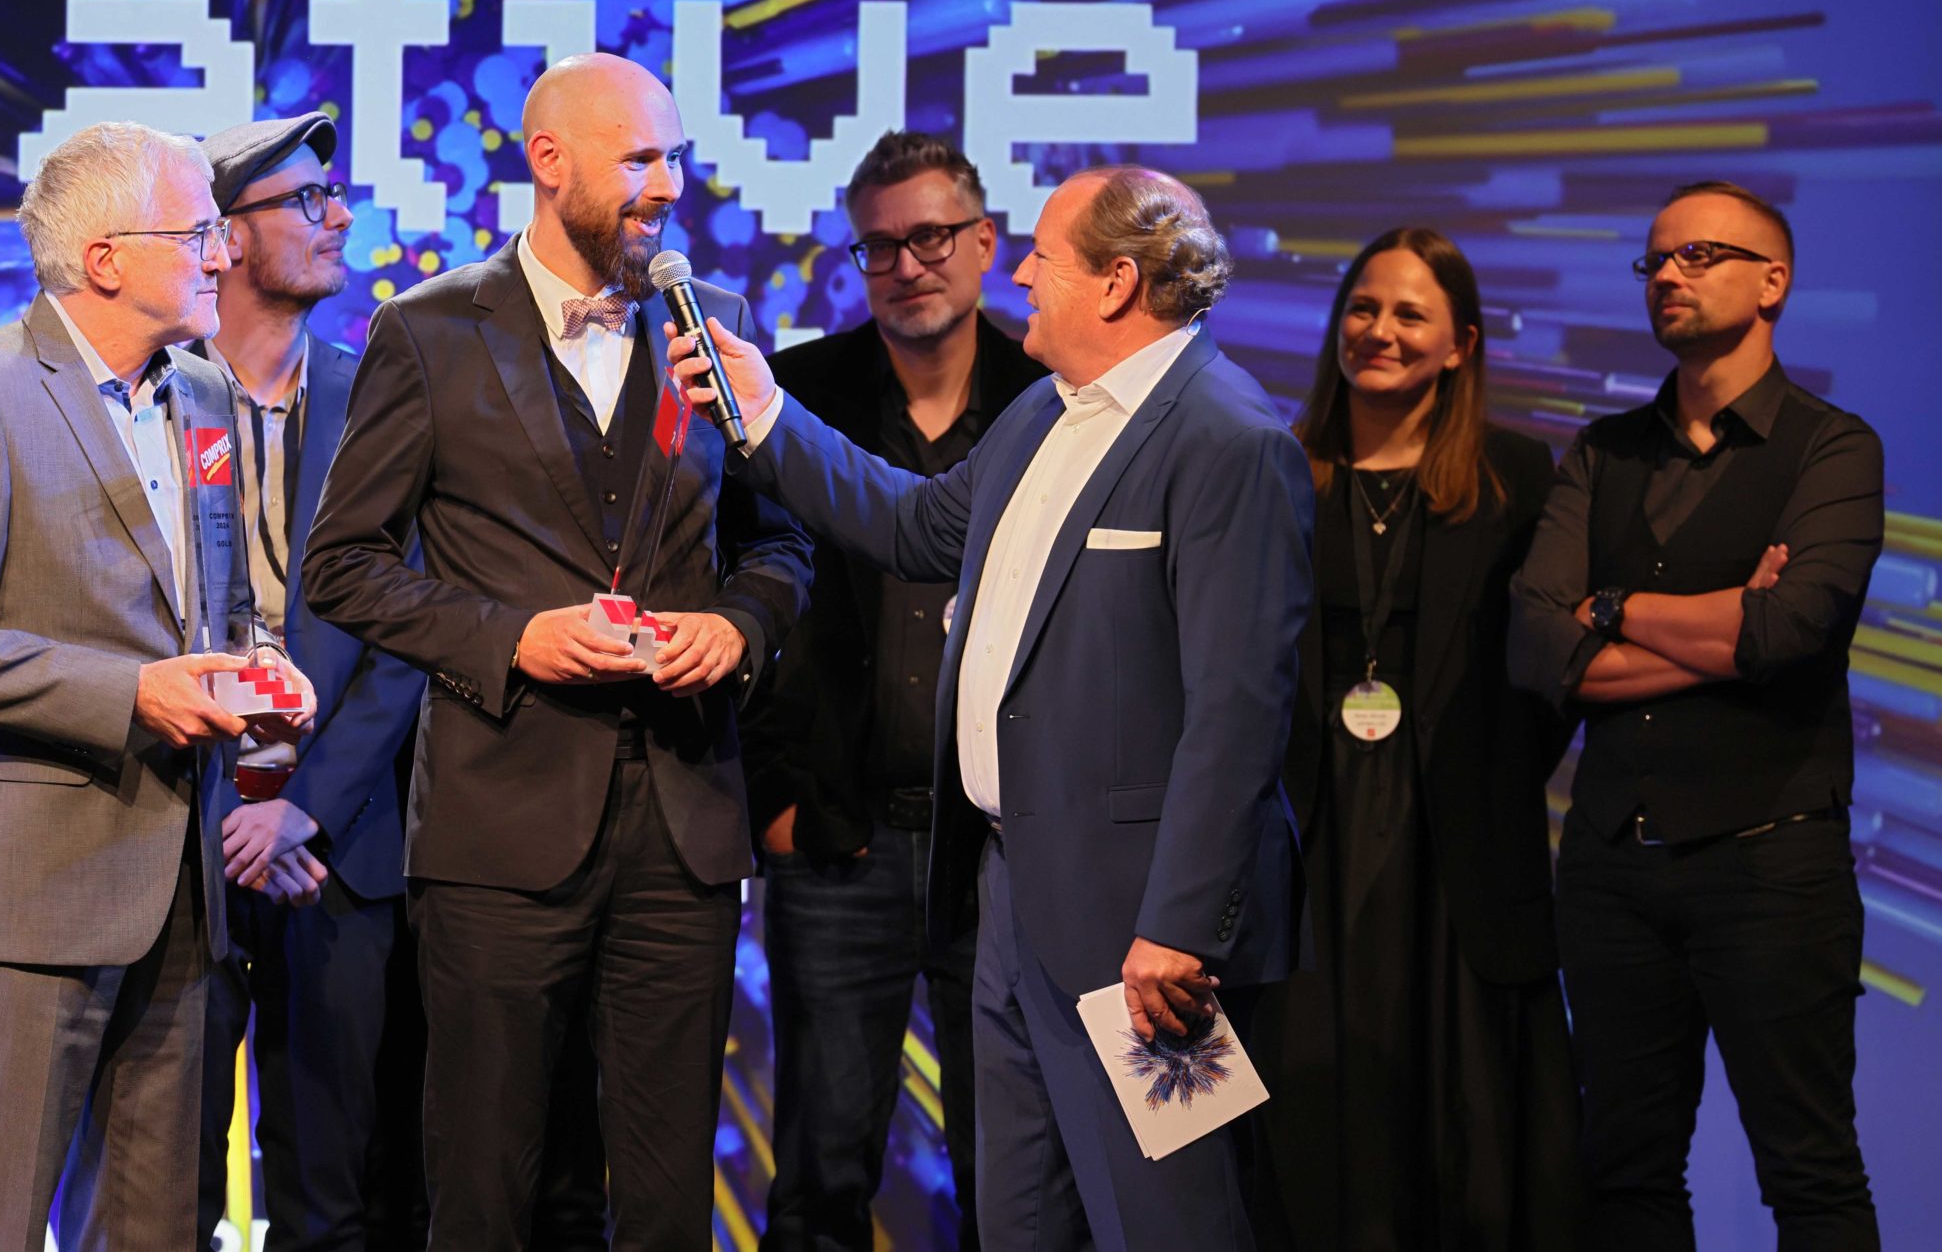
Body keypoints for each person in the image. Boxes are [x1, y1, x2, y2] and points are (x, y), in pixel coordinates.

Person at [672, 165, 1313, 1251]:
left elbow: (1238, 713)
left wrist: (1178, 925)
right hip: (1012, 896)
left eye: (1043, 259)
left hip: (1143, 935)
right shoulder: (1044, 409)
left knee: (1168, 1222)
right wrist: (764, 411)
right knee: (1020, 1220)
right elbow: (916, 526)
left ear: (1117, 282)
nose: (1018, 276)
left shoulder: (1227, 439)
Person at [300, 51, 813, 1251]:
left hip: (684, 824)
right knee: (483, 1189)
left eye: (675, 157)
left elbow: (780, 544)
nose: (668, 184)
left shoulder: (717, 325)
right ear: (547, 161)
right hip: (497, 827)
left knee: (666, 1200)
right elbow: (344, 565)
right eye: (639, 159)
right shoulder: (428, 331)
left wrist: (737, 626)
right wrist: (512, 636)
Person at [0, 121, 313, 1251]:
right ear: (105, 259)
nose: (225, 255)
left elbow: (215, 599)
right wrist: (131, 695)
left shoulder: (203, 391)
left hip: (187, 889)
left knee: (156, 1229)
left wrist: (257, 669)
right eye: (200, 233)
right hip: (26, 893)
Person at [1510, 181, 1884, 1250]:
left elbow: (1790, 629)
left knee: (1809, 1172)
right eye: (1657, 260)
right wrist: (1722, 626)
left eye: (1700, 255)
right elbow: (1537, 649)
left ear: (1774, 282)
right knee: (1625, 1172)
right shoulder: (1604, 452)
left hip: (1772, 862)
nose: (1668, 274)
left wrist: (1611, 608)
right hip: (1612, 867)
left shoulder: (1831, 448)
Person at [1247, 228, 1577, 1252]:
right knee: (1308, 1126)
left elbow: (1547, 667)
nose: (1378, 331)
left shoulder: (1516, 475)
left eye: (1408, 314)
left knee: (1462, 1135)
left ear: (1460, 345)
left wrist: (1491, 770)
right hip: (1309, 836)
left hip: (1458, 842)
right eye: (1362, 307)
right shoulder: (1275, 469)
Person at [748, 131, 1037, 1252]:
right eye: (879, 246)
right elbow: (746, 587)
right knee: (821, 1174)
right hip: (837, 837)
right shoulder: (793, 394)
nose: (907, 265)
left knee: (1010, 1179)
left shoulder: (1050, 400)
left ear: (985, 242)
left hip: (1003, 852)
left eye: (931, 237)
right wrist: (777, 794)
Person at [187, 112, 433, 1252]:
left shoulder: (382, 390)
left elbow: (410, 628)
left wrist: (302, 806)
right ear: (227, 237)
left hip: (340, 842)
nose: (337, 217)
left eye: (333, 194)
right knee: (161, 1190)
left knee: (336, 1197)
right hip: (184, 838)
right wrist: (235, 809)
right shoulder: (154, 393)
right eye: (304, 200)